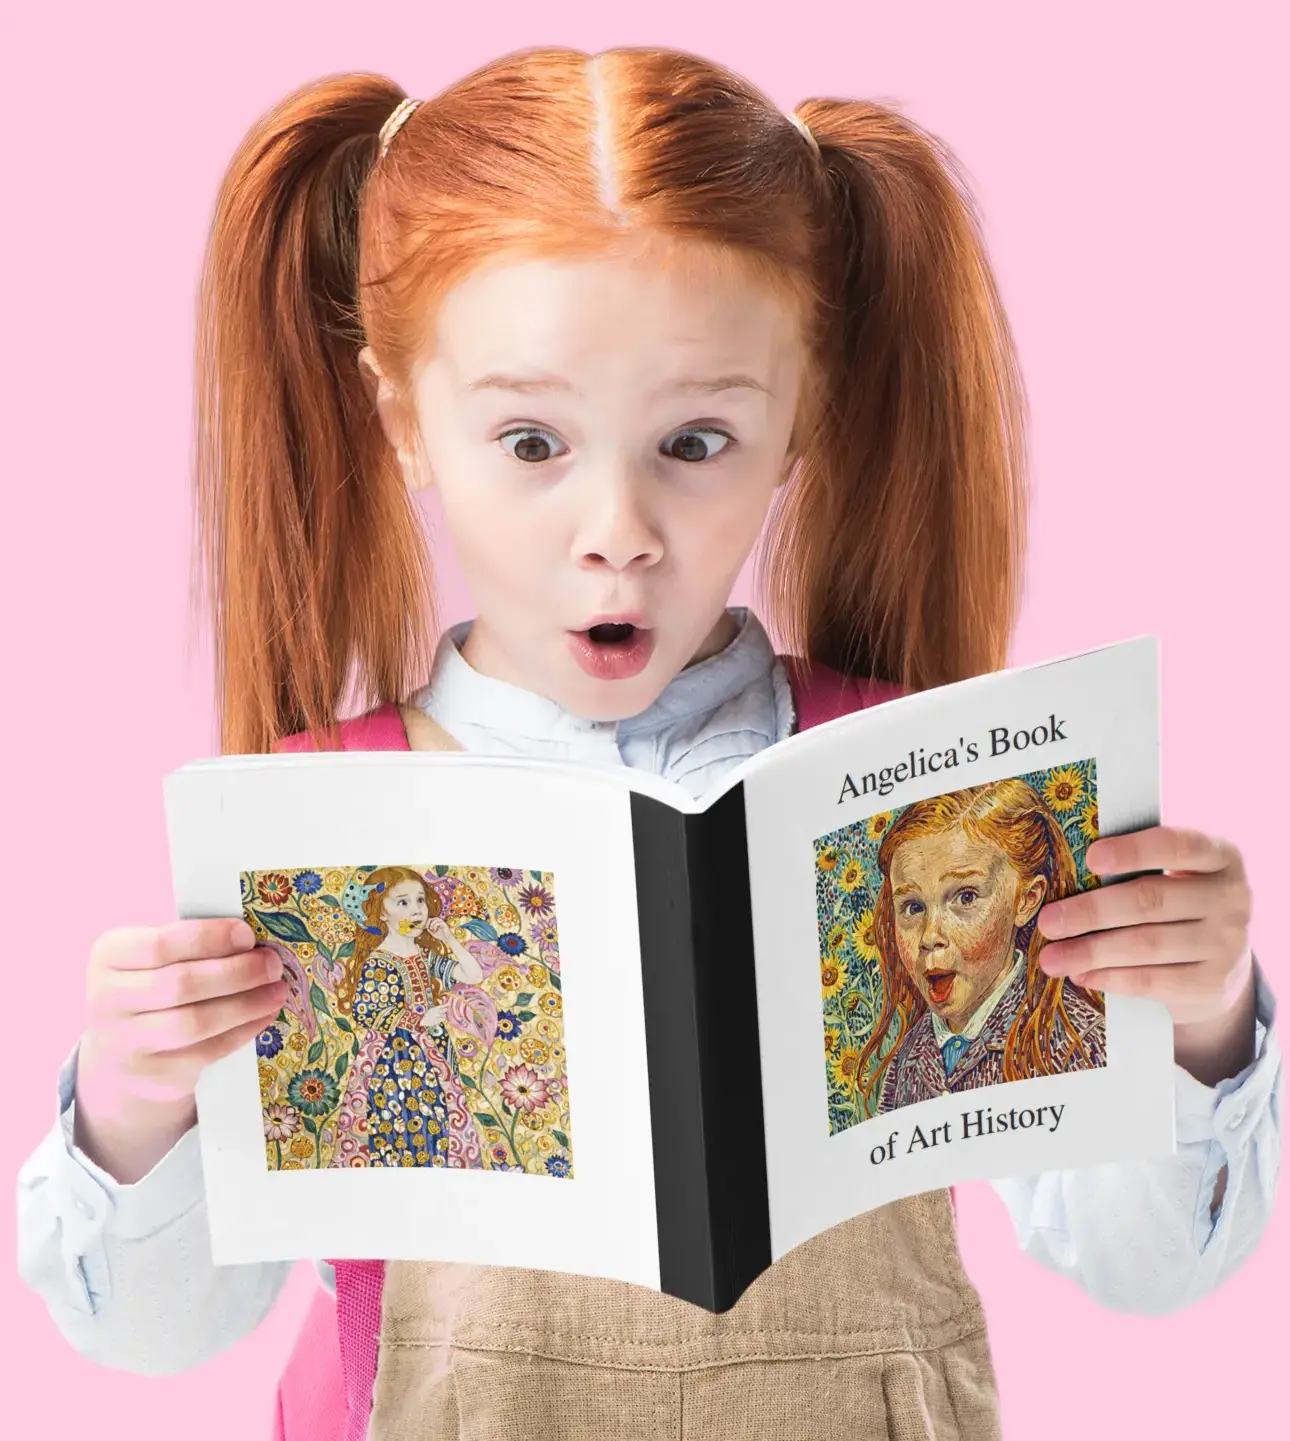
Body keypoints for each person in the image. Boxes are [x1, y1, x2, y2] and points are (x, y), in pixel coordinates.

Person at [16, 46, 1281, 1439]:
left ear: (798, 420)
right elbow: (154, 1337)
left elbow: (1148, 1266)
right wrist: (138, 1112)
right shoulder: (316, 827)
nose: (614, 524)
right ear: (404, 422)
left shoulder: (933, 793)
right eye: (529, 441)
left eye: (692, 441)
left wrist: (1196, 1022)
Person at [861, 778, 1107, 1113]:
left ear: (1025, 900)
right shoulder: (910, 1057)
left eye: (965, 897)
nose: (930, 935)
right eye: (914, 907)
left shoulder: (1077, 1042)